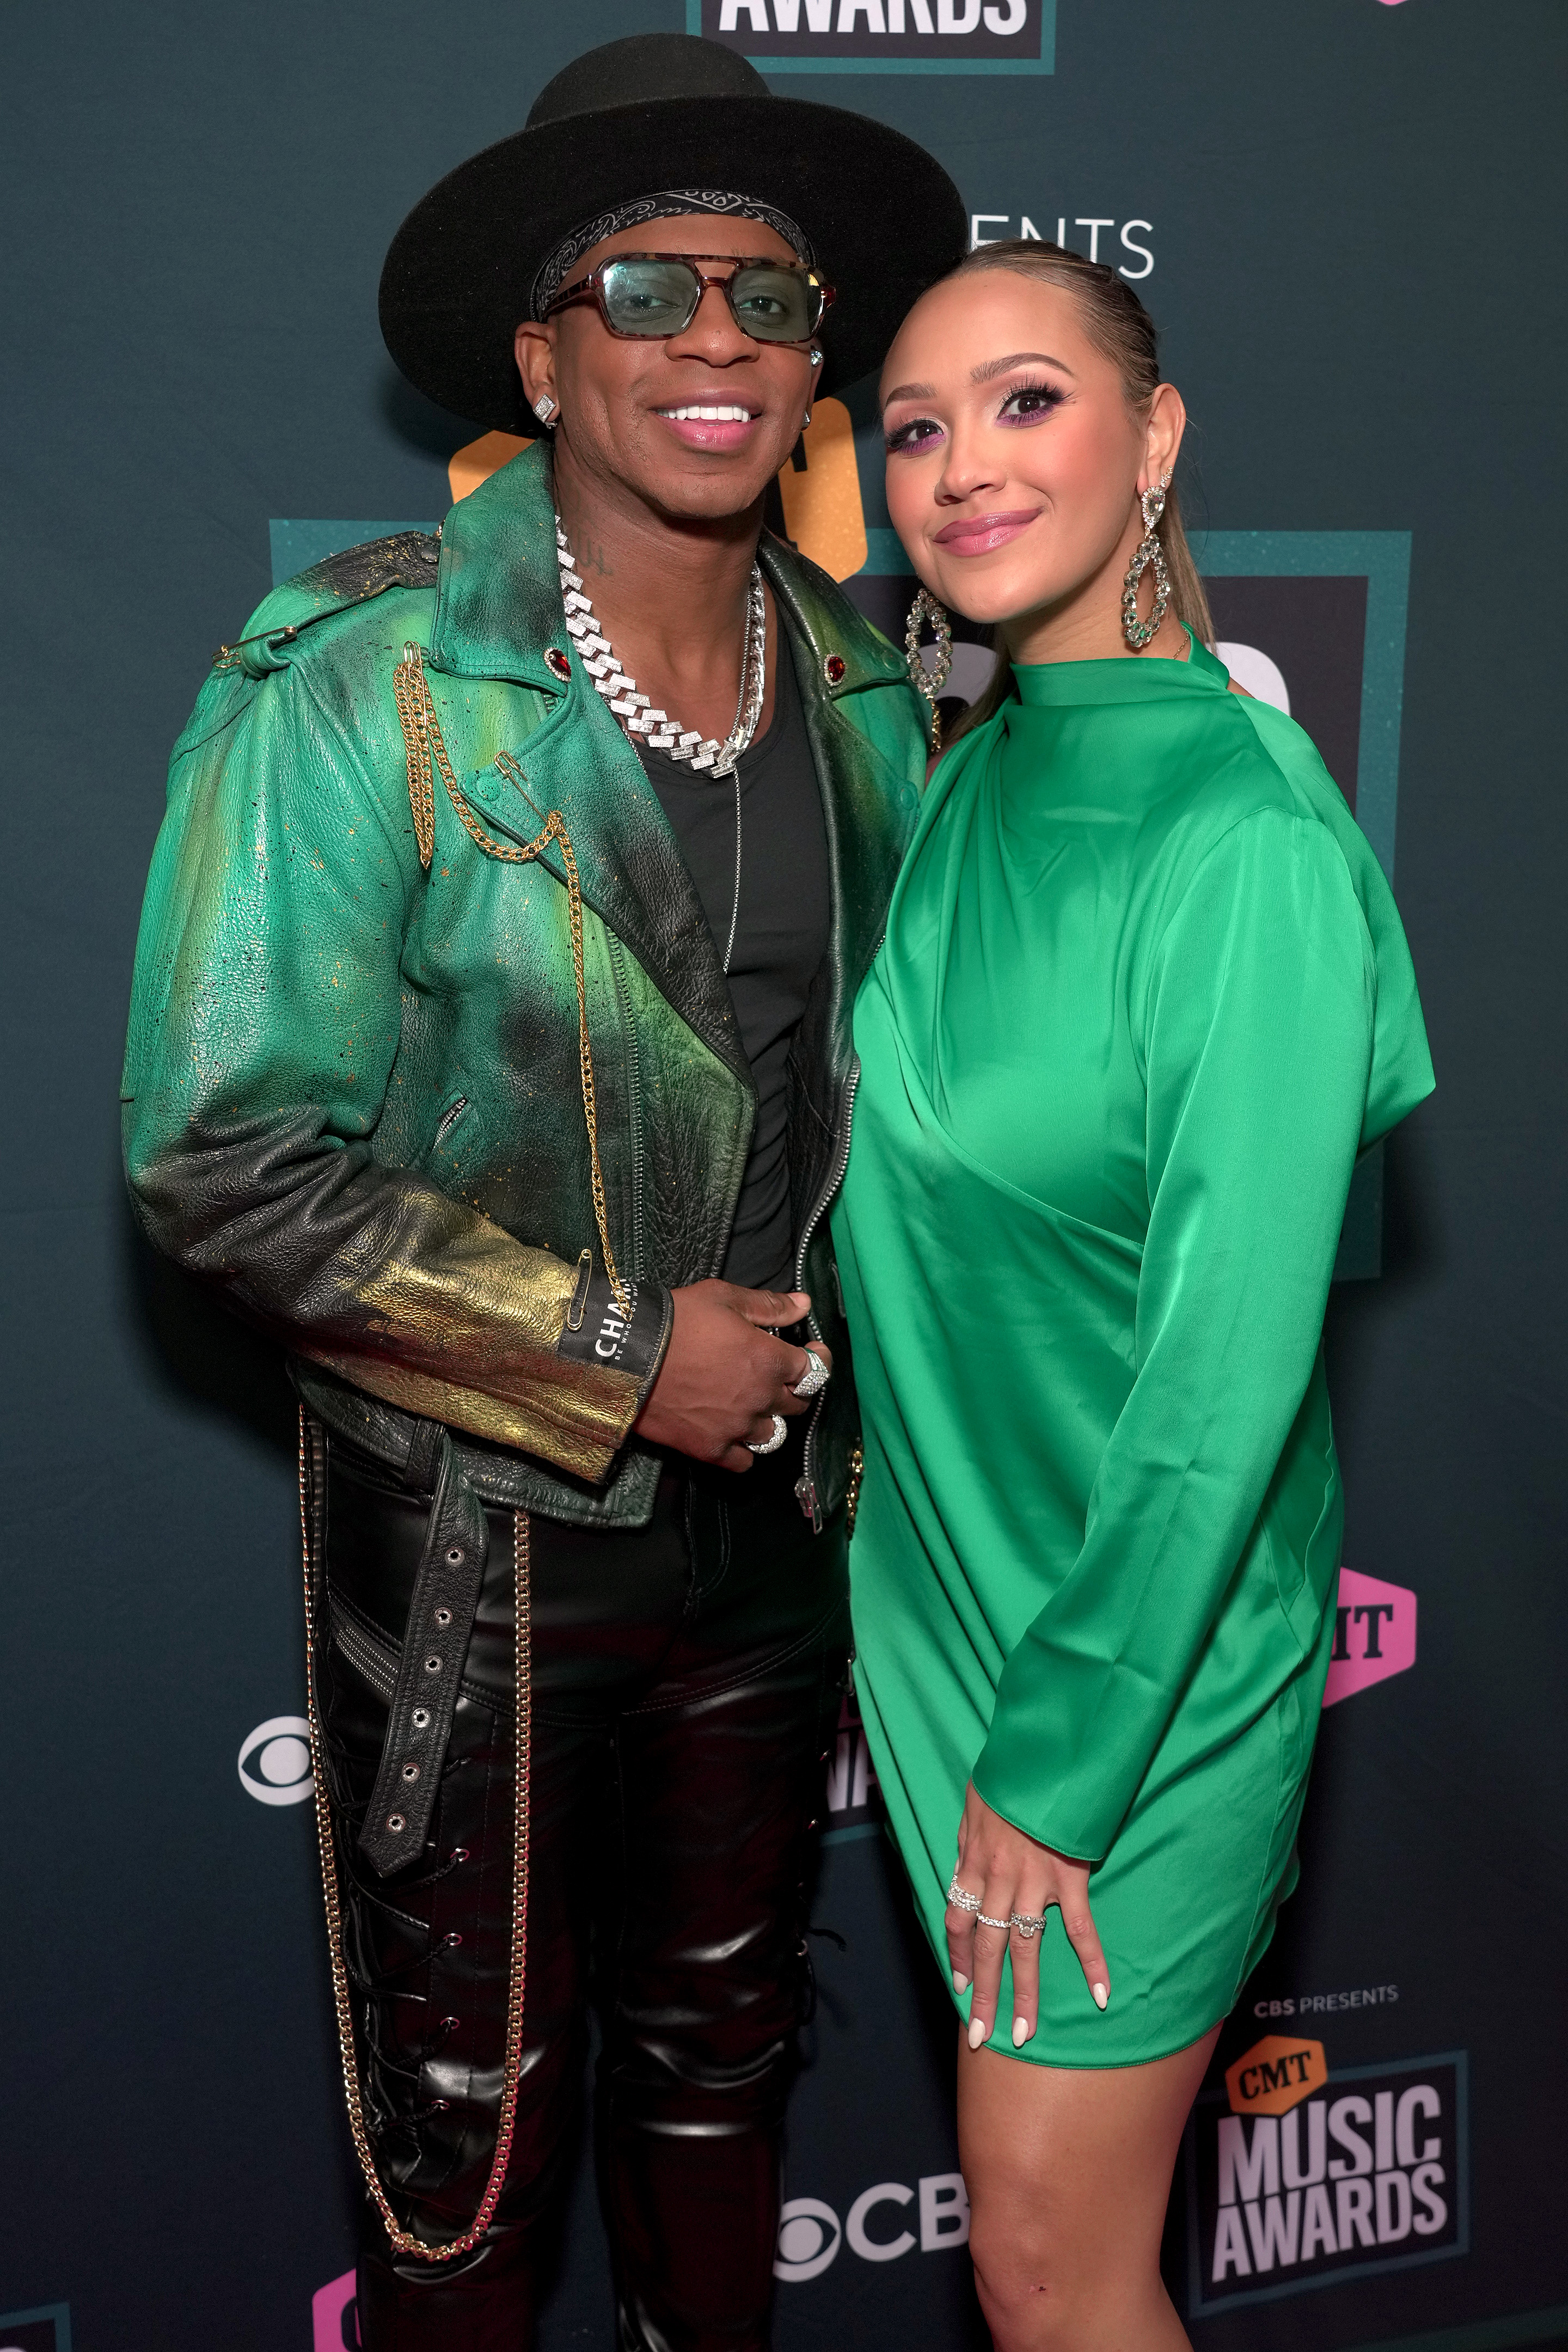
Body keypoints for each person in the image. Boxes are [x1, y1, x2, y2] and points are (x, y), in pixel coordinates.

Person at [122, 34, 964, 2349]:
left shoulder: (874, 694)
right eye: (648, 282)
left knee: (722, 2096)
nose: (717, 336)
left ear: (814, 365)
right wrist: (613, 1350)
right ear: (541, 345)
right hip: (485, 1548)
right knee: (470, 2155)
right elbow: (221, 1157)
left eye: (770, 297)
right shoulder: (365, 677)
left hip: (785, 1530)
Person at [831, 241, 1435, 2351]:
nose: (960, 468)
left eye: (1025, 403)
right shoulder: (979, 763)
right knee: (1043, 2258)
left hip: (1131, 1672)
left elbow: (1224, 1371)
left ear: (1156, 439)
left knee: (1056, 2272)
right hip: (941, 1607)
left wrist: (1069, 1760)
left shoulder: (1244, 841)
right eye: (914, 427)